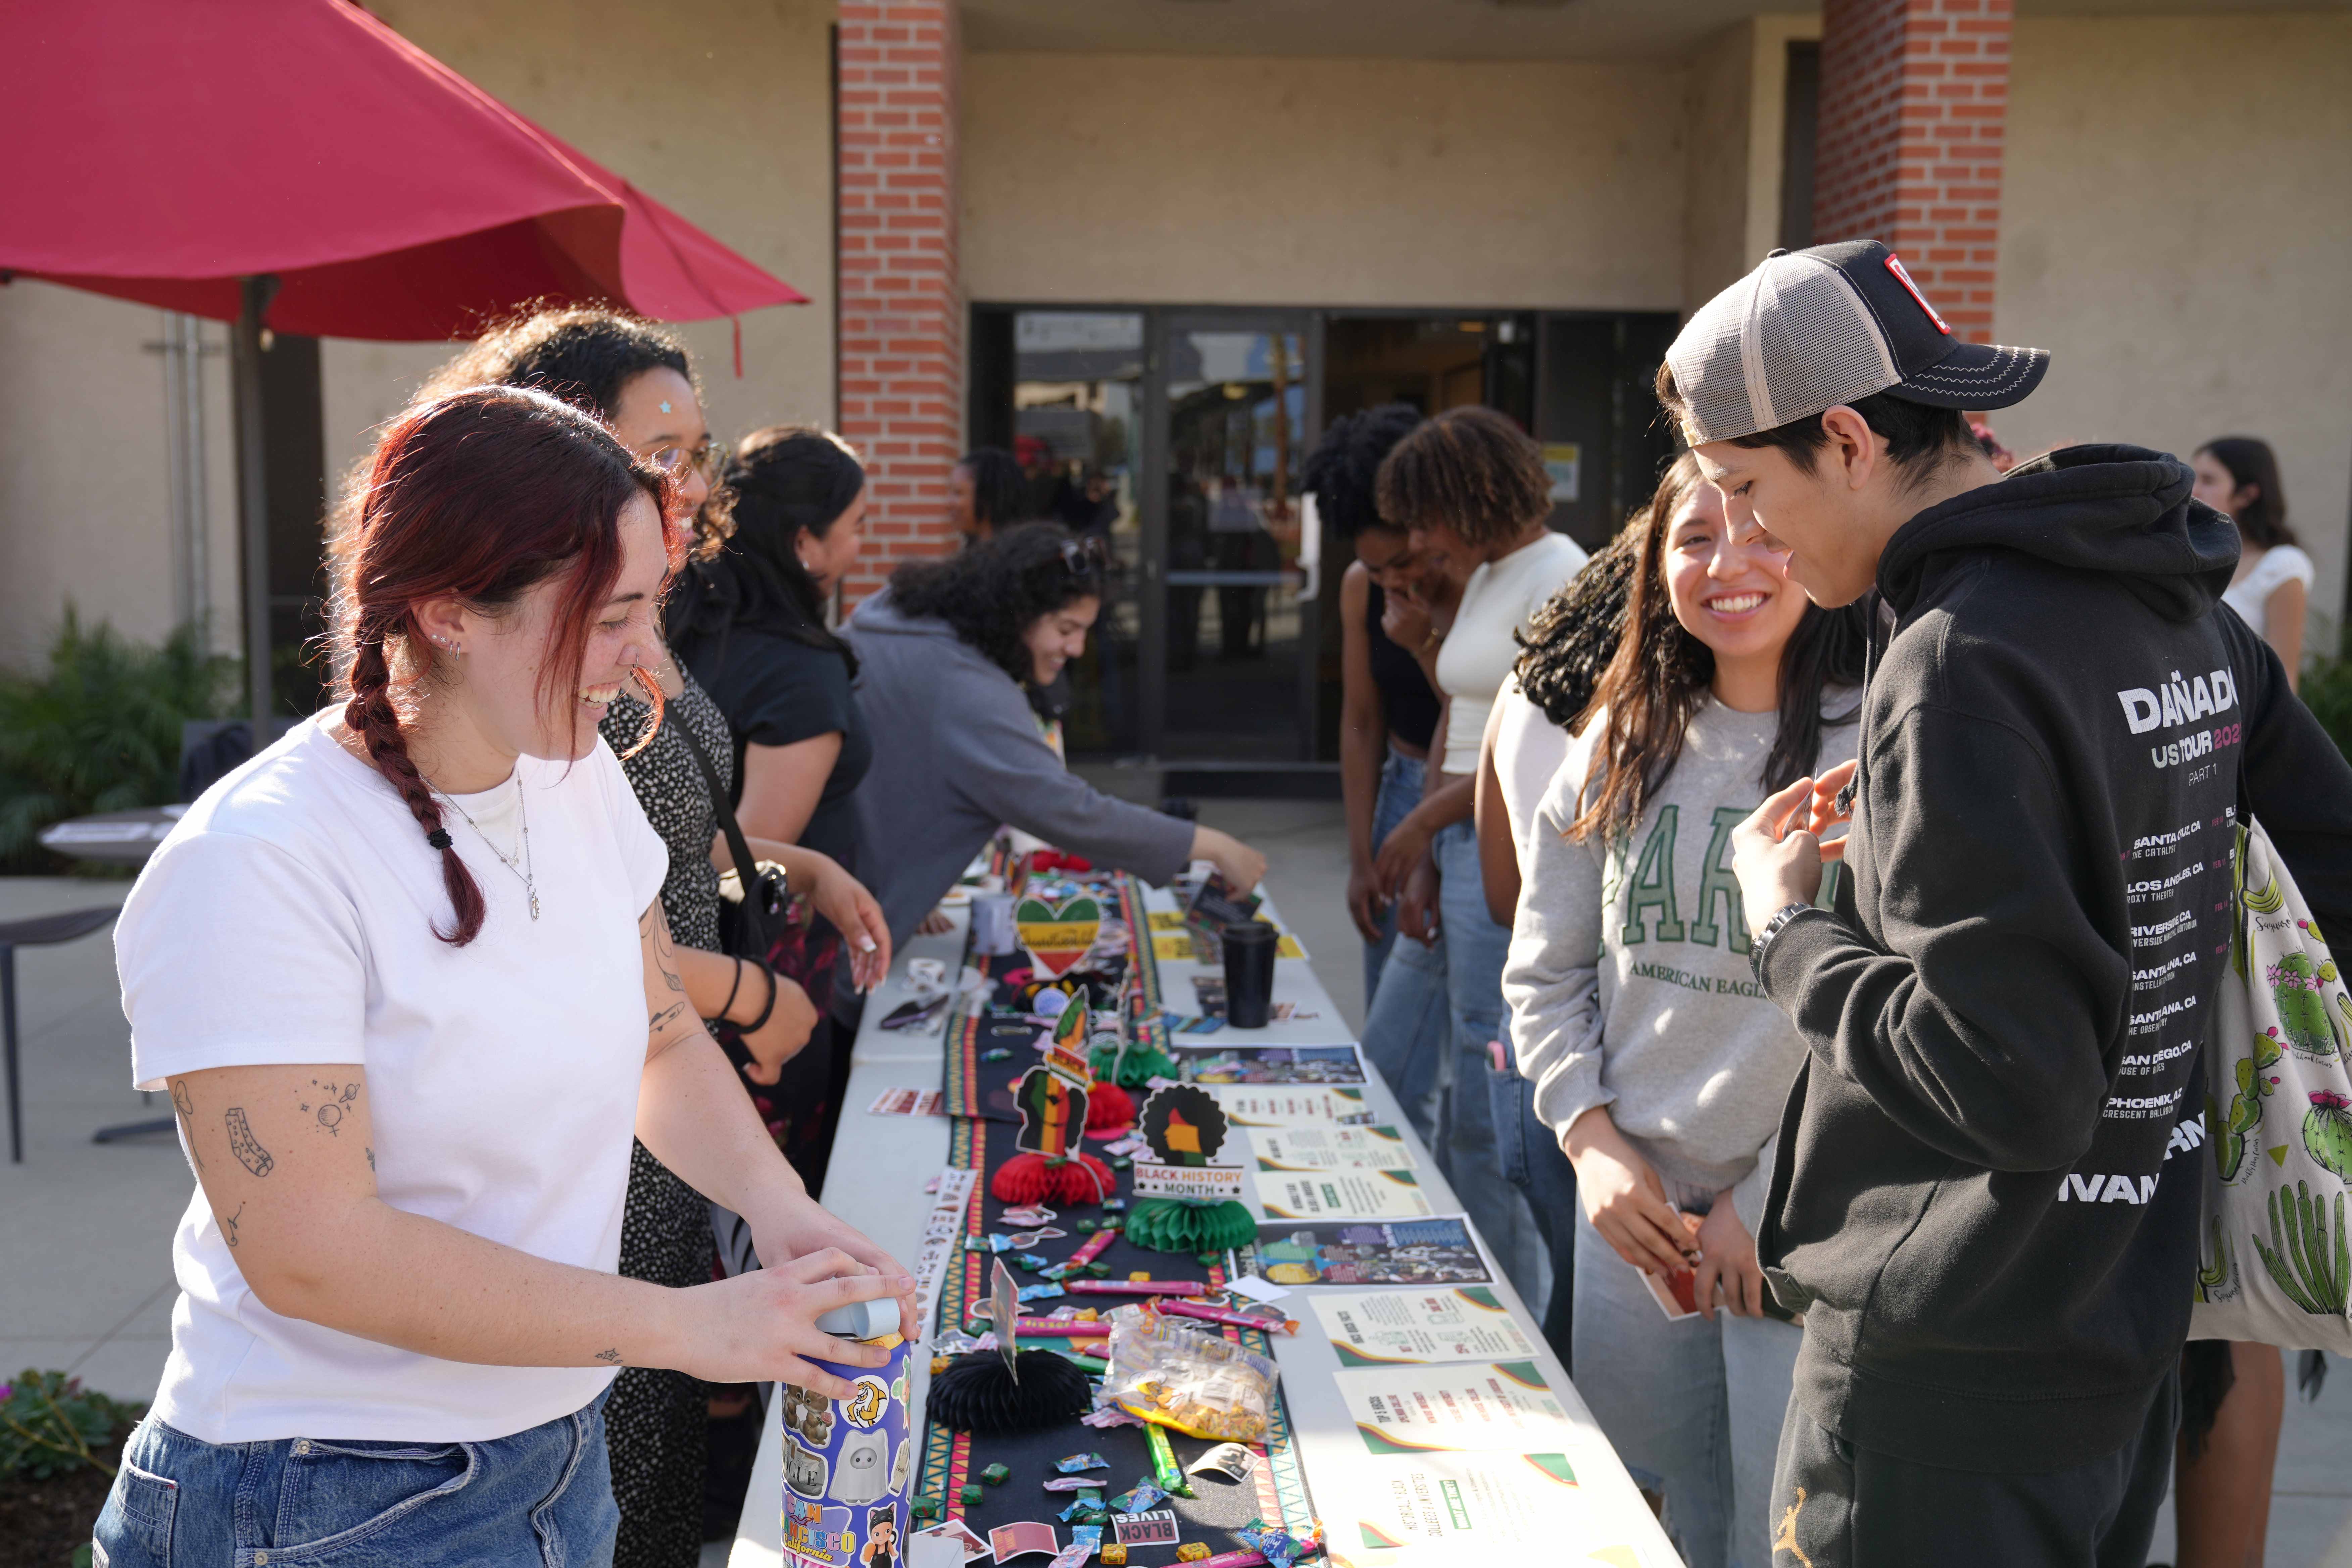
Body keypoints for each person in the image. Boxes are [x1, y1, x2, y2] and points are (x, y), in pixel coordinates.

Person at [97, 386, 916, 1568]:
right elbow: (312, 1248)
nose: (655, 671)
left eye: (653, 613)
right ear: (445, 611)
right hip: (319, 1498)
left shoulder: (570, 771)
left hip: (546, 1445)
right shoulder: (259, 859)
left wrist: (780, 1213)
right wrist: (687, 1327)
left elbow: (661, 1032)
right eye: (613, 618)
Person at [1666, 240, 2352, 1564]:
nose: (1750, 533)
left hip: (1947, 1366)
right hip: (2126, 1325)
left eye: (1749, 487)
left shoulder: (1957, 660)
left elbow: (2008, 1078)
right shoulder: (2178, 615)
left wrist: (1789, 920)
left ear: (1851, 439)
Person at [421, 307, 889, 1567]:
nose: (692, 479)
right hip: (604, 1113)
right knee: (611, 1458)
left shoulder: (624, 626)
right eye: (658, 447)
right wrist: (743, 990)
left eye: (697, 447)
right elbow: (538, 924)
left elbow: (663, 844)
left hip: (667, 1083)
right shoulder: (537, 676)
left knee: (661, 1455)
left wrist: (797, 861)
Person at [1502, 454, 1864, 1568]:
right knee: (1645, 1515)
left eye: (1758, 530)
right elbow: (1543, 975)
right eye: (1694, 537)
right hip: (1630, 1219)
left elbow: (1881, 1027)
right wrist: (1587, 1141)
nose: (1728, 563)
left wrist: (1763, 1202)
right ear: (1654, 566)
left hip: (1794, 1231)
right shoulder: (1615, 741)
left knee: (1782, 1533)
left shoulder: (1871, 755)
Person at [1360, 405, 1587, 1306]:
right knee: (1388, 1064)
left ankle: (1499, 1303)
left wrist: (1420, 832)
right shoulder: (1491, 574)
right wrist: (1420, 853)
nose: (1417, 538)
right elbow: (1462, 721)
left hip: (1500, 851)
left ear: (1471, 495)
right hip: (1450, 845)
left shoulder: (1561, 575)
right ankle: (1418, 1254)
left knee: (1487, 1100)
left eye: (1424, 515)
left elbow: (1541, 749)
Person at [845, 524, 1267, 948]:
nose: (1078, 649)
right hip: (849, 941)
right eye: (1066, 630)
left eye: (1084, 630)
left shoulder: (902, 620)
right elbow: (1065, 808)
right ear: (1016, 612)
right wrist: (1209, 844)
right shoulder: (965, 687)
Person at [1307, 402, 1442, 1006]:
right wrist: (1360, 856)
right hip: (1401, 782)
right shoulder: (1360, 588)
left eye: (1403, 563)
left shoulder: (1469, 581)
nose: (1391, 579)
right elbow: (1360, 723)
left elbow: (1479, 713)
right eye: (1374, 565)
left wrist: (1422, 645)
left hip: (1470, 798)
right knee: (1387, 991)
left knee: (1455, 1008)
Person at [2195, 435, 2312, 687]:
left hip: (2245, 717)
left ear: (2247, 494)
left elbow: (2285, 677)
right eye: (2194, 479)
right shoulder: (2196, 554)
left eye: (2209, 480)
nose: (2194, 491)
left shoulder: (2283, 565)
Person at [950, 446, 1027, 545]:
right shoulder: (977, 553)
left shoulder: (1023, 558)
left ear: (987, 497)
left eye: (958, 493)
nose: (949, 503)